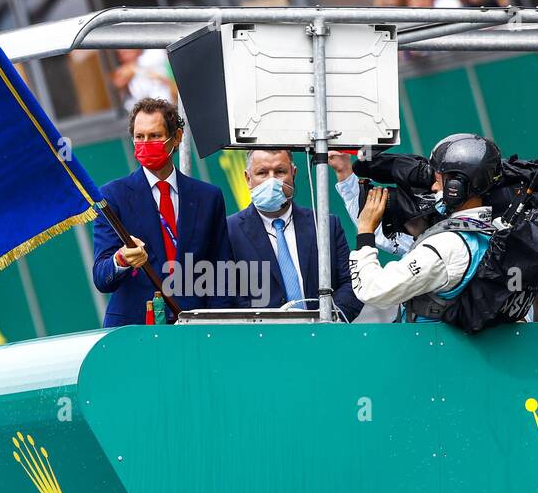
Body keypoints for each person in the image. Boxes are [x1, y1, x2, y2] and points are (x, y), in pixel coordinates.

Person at [91, 97, 233, 326]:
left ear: (176, 138)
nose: (146, 143)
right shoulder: (112, 197)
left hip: (194, 331)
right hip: (135, 331)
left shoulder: (208, 198)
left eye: (155, 136)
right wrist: (122, 259)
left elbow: (222, 273)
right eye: (139, 137)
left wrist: (216, 326)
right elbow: (101, 277)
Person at [349, 136, 501, 320]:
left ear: (456, 187)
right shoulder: (493, 230)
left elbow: (374, 290)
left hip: (429, 345)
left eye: (438, 180)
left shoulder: (446, 247)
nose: (433, 186)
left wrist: (365, 231)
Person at [226, 149, 361, 320]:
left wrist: (329, 321)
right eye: (262, 173)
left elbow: (351, 283)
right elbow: (226, 293)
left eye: (280, 171)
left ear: (293, 173)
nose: (271, 181)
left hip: (322, 336)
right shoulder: (229, 231)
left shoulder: (325, 226)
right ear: (248, 178)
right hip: (259, 339)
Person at [110, 48, 177, 111]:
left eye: (125, 50)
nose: (123, 54)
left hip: (176, 99)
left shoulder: (154, 53)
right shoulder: (132, 90)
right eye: (120, 53)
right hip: (163, 111)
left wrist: (134, 69)